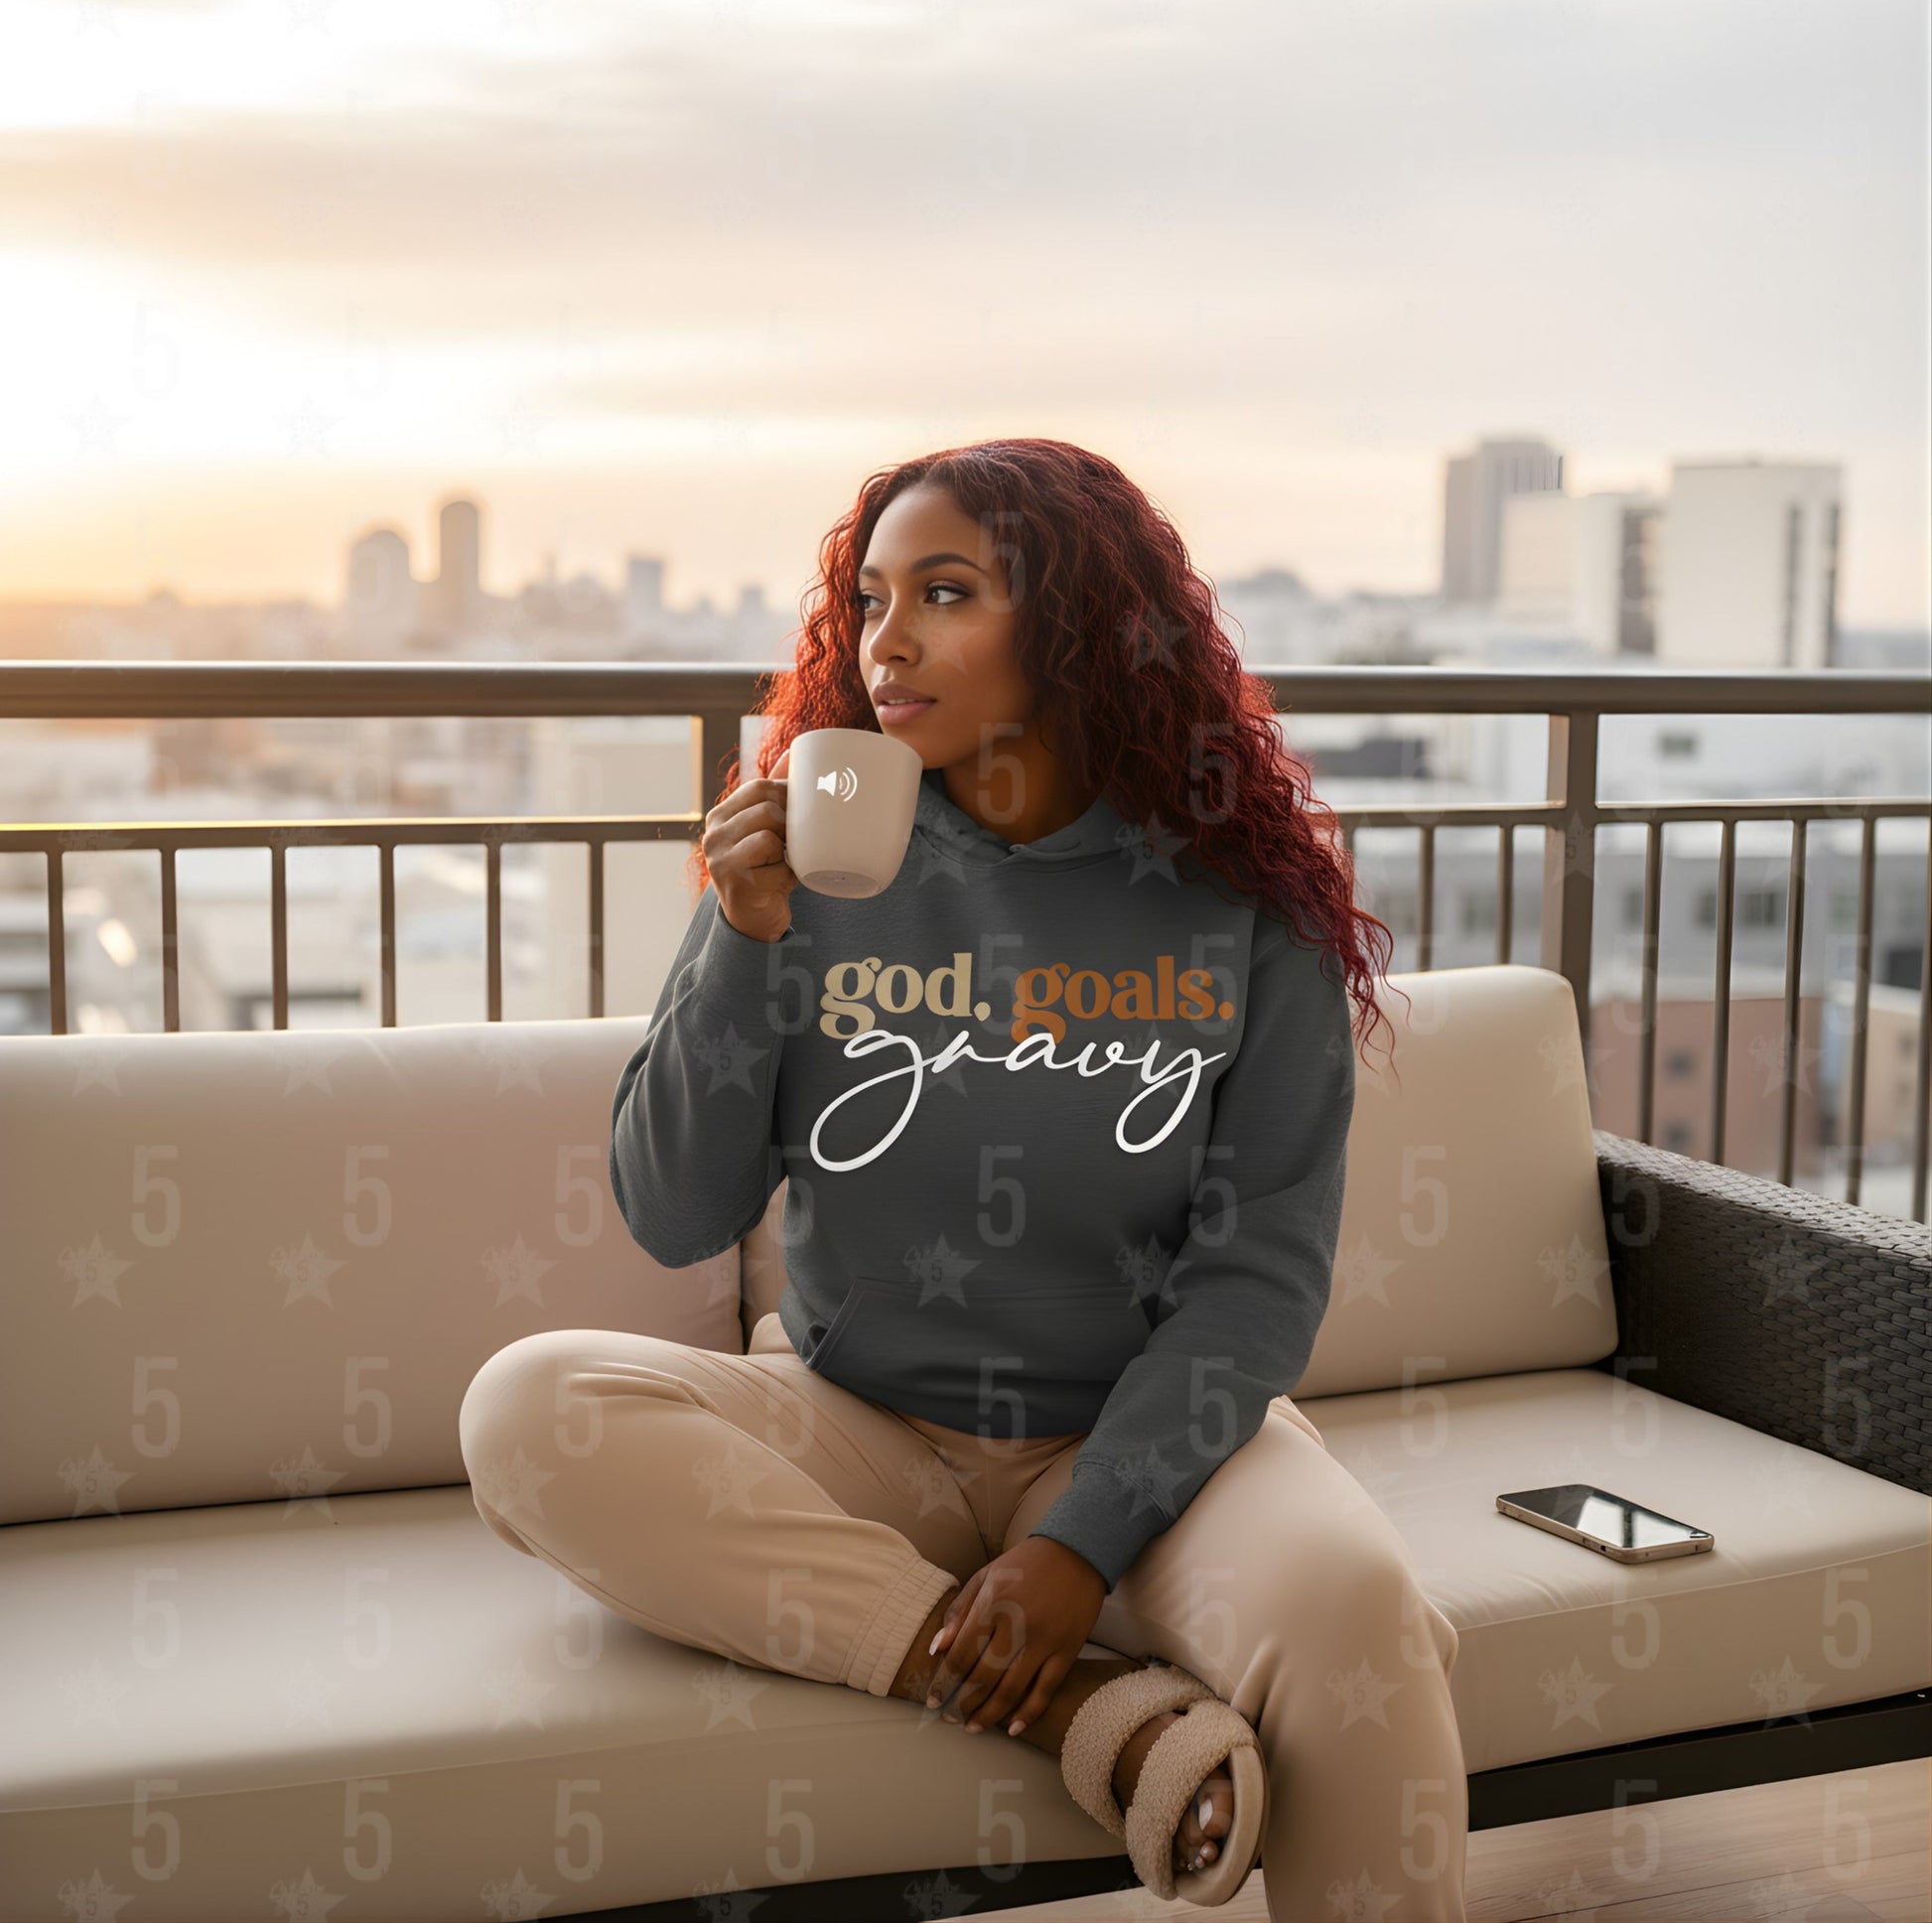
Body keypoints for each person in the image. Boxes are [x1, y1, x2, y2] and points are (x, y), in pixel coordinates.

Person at [459, 438, 1469, 1916]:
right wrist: (740, 937)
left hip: (1133, 1447)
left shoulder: (1245, 906)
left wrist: (1078, 1541)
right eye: (869, 598)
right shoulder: (803, 865)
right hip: (851, 1422)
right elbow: (673, 1209)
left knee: (1361, 1612)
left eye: (945, 592)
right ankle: (1090, 1717)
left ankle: (1067, 1624)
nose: (887, 640)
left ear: (1073, 624)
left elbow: (1257, 1275)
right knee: (529, 1407)